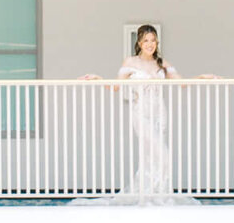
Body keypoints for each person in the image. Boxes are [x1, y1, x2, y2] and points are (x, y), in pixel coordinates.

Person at [78, 26, 215, 203]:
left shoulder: (162, 63)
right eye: (146, 41)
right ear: (140, 43)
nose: (150, 44)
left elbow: (182, 83)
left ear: (157, 42)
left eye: (153, 40)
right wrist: (97, 78)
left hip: (160, 114)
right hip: (141, 113)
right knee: (163, 155)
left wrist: (203, 77)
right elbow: (115, 87)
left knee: (150, 157)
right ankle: (155, 196)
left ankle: (152, 194)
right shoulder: (130, 62)